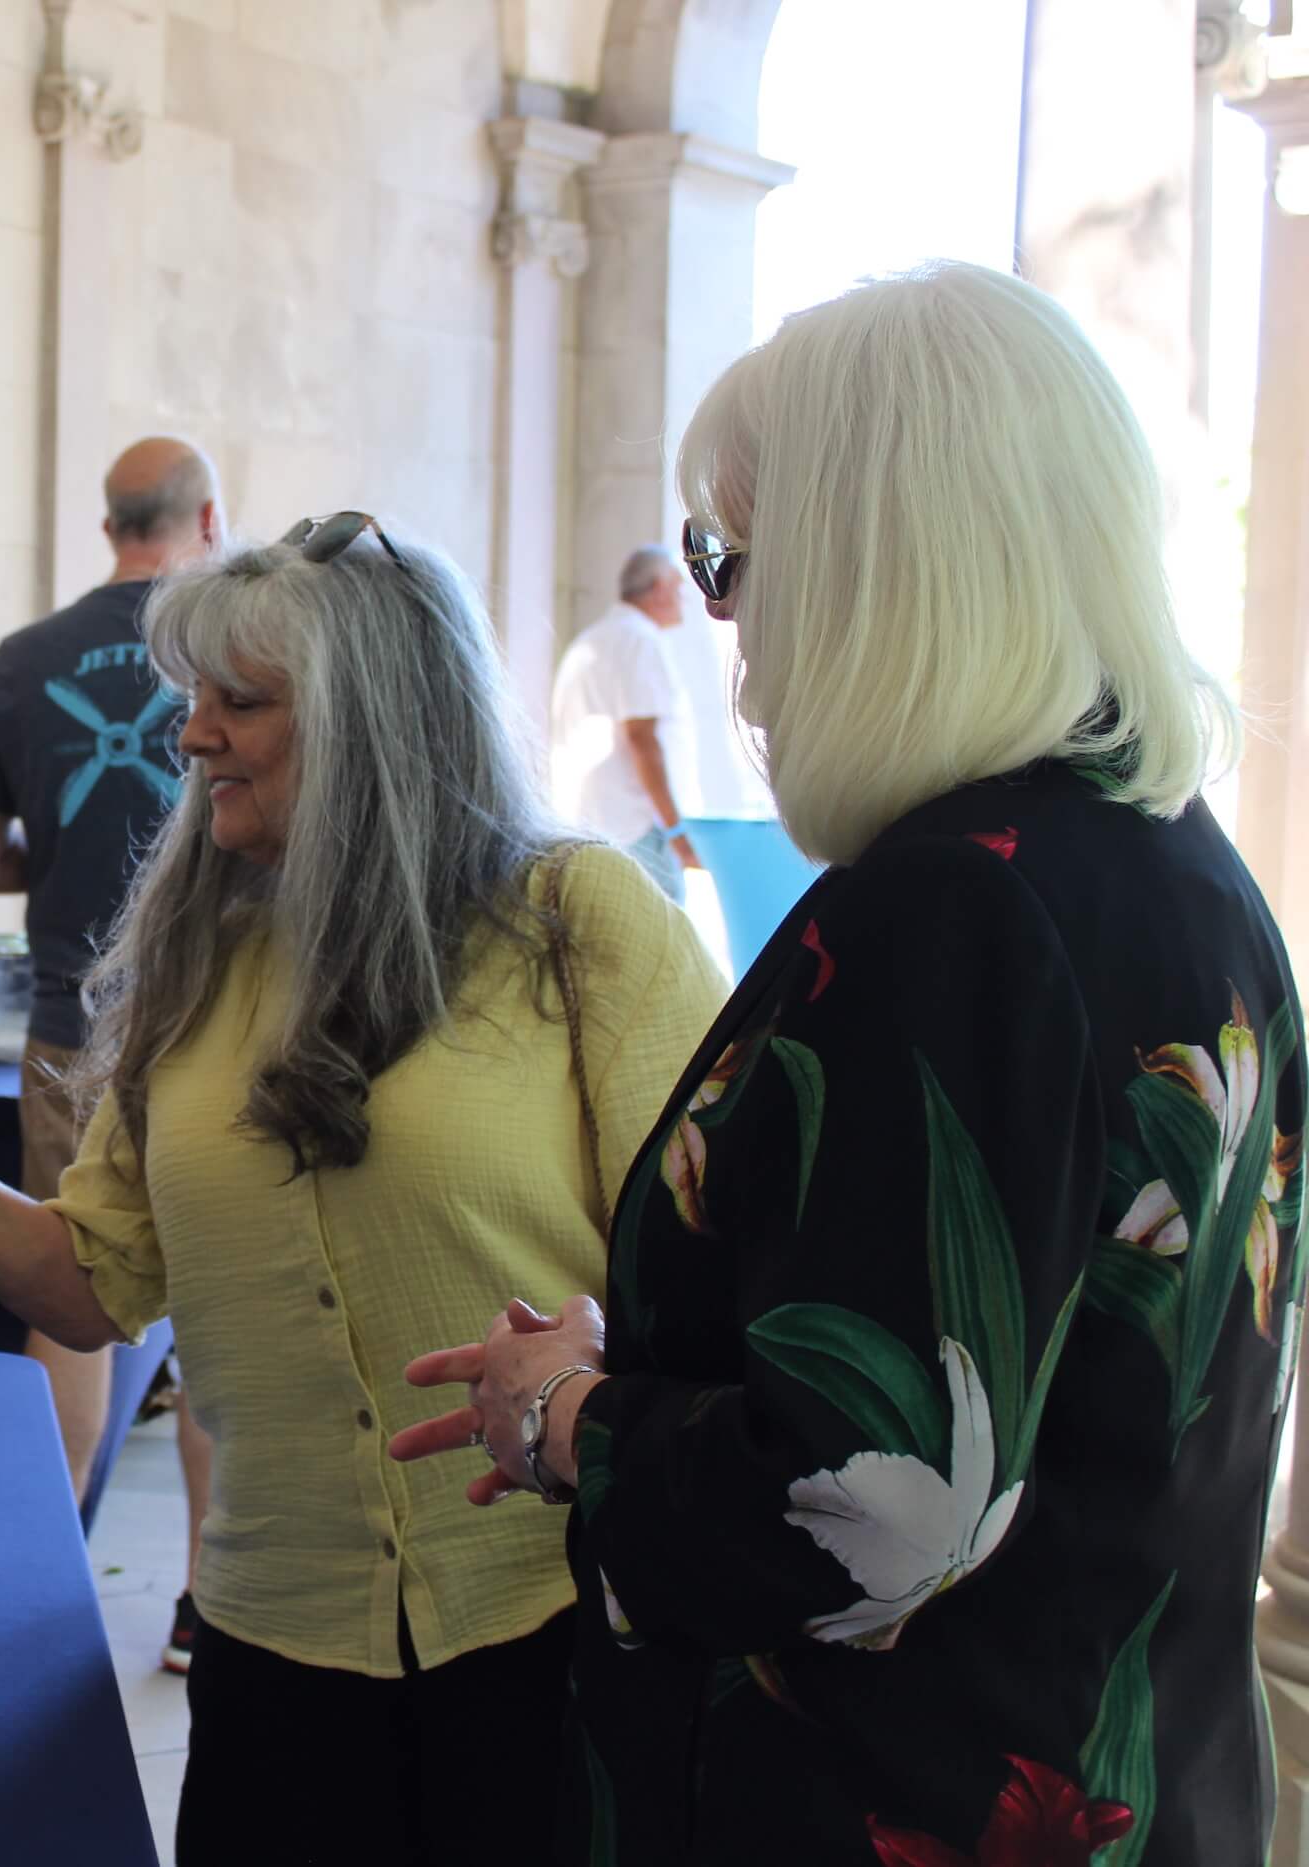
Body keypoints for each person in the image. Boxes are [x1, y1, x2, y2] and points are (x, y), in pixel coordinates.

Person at [393, 261, 1288, 1865]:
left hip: (887, 1802)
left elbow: (881, 1499)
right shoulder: (1182, 864)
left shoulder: (956, 906)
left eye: (733, 563)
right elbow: (1043, 1368)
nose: (731, 626)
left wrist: (575, 1416)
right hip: (1137, 1776)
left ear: (879, 564)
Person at [0, 511, 725, 1861]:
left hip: (554, 1628)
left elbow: (728, 1264)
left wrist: (602, 1359)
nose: (192, 733)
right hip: (276, 1646)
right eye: (192, 699)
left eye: (241, 701)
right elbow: (92, 1284)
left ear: (376, 721)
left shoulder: (577, 919)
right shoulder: (196, 968)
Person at [0, 437, 219, 1536]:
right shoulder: (229, 649)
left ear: (109, 524)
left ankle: (54, 1560)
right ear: (208, 522)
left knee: (70, 1300)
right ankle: (211, 1600)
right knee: (219, 1319)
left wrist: (54, 862)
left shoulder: (22, 660)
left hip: (70, 1028)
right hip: (216, 1022)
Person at [551, 545, 699, 901]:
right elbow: (642, 740)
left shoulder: (593, 639)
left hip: (594, 828)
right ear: (660, 587)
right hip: (638, 831)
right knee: (663, 946)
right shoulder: (639, 640)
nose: (685, 600)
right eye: (679, 589)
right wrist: (677, 831)